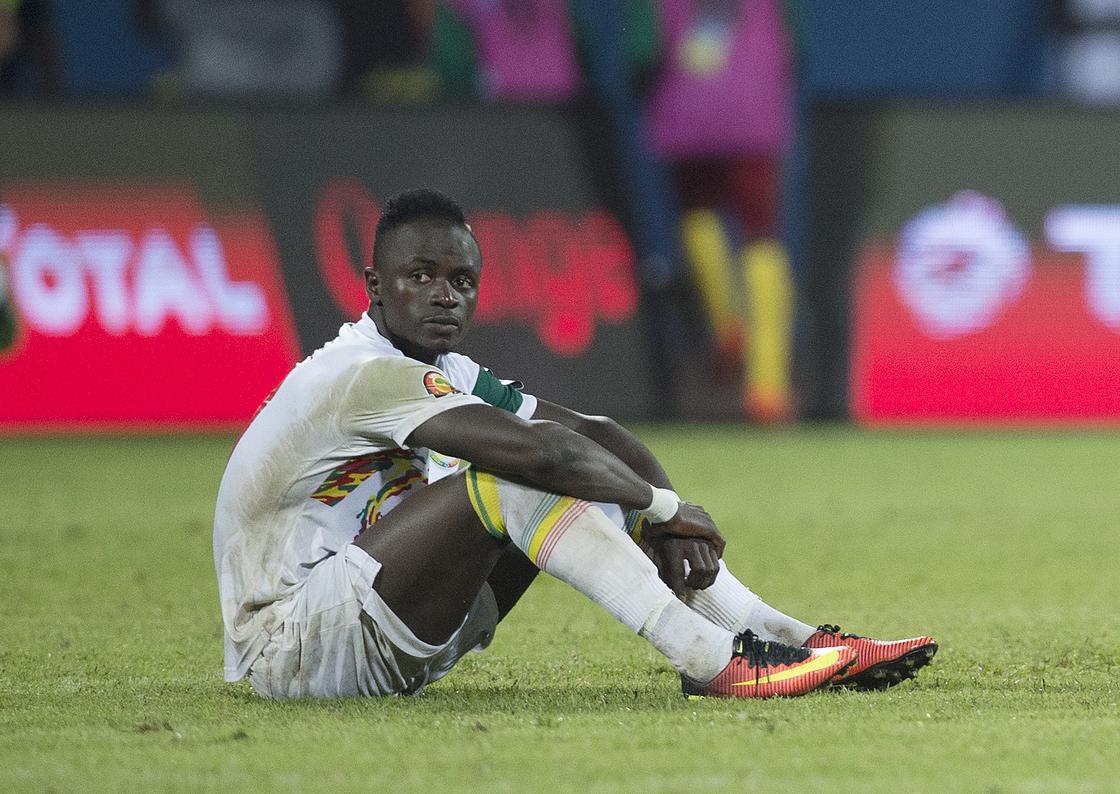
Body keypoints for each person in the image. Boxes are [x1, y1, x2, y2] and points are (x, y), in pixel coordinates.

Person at [213, 188, 936, 700]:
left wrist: (663, 509)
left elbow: (593, 433)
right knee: (519, 471)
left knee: (575, 462)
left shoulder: (446, 370)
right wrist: (658, 506)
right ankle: (713, 661)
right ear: (374, 287)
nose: (444, 295)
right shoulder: (362, 375)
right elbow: (545, 456)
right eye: (420, 276)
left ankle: (795, 641)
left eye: (461, 280)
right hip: (293, 646)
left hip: (377, 624)